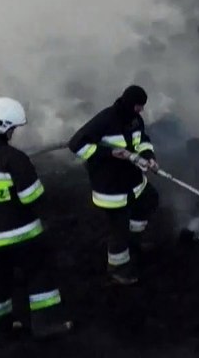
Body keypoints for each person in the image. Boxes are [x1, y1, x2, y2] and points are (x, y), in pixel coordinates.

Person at [0, 97, 74, 340]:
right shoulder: (15, 159)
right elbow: (33, 198)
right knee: (40, 275)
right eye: (13, 129)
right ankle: (46, 324)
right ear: (4, 128)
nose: (13, 133)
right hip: (25, 236)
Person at [67, 85, 160, 285]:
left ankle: (134, 243)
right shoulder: (105, 121)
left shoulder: (135, 120)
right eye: (138, 106)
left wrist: (148, 156)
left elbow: (142, 140)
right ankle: (117, 267)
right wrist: (108, 153)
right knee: (119, 229)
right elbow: (76, 144)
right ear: (128, 103)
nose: (141, 111)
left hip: (133, 182)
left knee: (149, 200)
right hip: (111, 187)